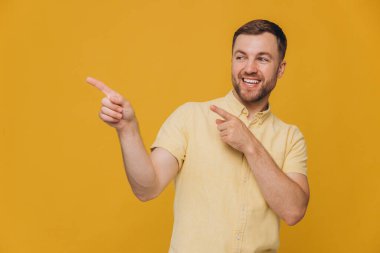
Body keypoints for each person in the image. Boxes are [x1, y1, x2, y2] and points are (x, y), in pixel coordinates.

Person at [87, 19, 310, 253]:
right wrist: (127, 129)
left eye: (262, 59)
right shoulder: (189, 117)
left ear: (281, 68)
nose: (249, 68)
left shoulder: (290, 137)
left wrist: (250, 145)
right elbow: (147, 188)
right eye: (241, 57)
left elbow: (294, 211)